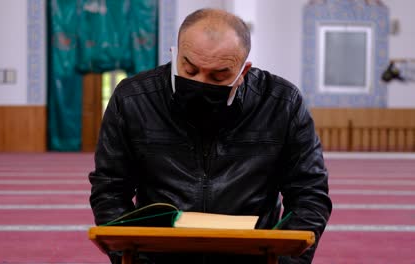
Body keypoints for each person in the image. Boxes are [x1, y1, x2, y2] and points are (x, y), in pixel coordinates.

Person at [89, 8, 332, 264]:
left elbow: (310, 194)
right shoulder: (133, 99)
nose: (201, 82)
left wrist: (284, 261)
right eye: (190, 70)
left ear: (243, 71)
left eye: (219, 76)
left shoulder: (281, 103)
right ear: (175, 54)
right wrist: (130, 257)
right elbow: (110, 190)